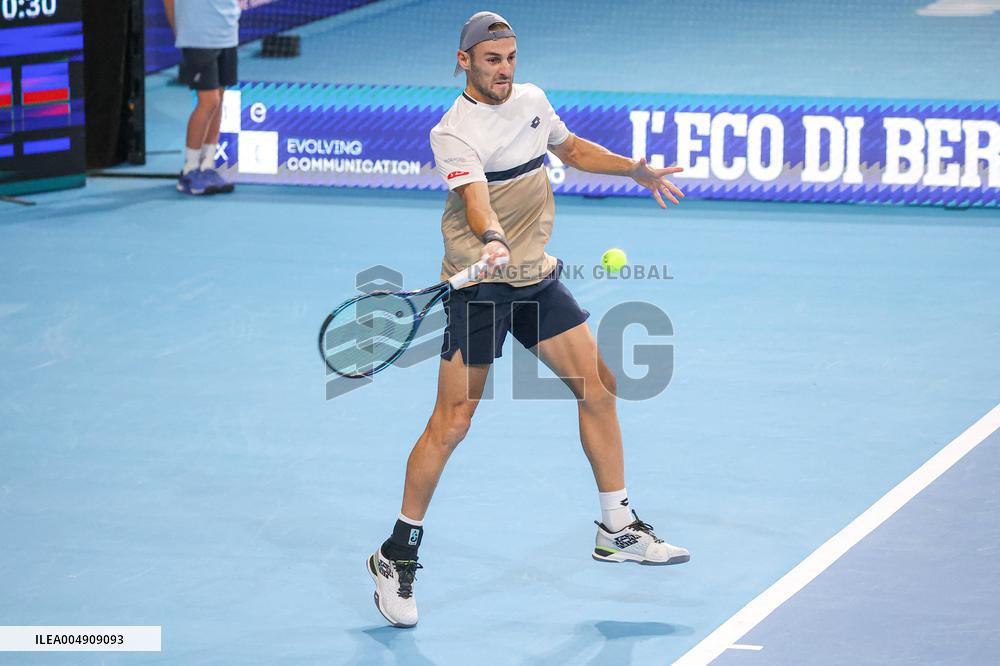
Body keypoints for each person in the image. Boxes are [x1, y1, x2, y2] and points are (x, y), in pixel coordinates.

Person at [367, 11, 690, 628]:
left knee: (598, 387)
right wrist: (490, 237)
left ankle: (616, 524)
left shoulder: (533, 100)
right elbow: (475, 197)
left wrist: (635, 169)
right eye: (492, 59)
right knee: (452, 421)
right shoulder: (452, 132)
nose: (505, 70)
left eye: (511, 57)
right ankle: (395, 555)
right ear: (464, 61)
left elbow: (571, 149)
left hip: (536, 278)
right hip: (482, 287)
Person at [163, 0, 239, 195]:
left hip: (227, 32)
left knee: (219, 100)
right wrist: (180, 33)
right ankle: (189, 170)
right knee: (209, 101)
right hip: (198, 36)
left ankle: (207, 166)